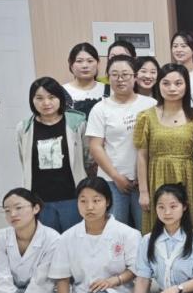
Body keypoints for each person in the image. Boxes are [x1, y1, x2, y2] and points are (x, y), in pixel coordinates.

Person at [50, 177, 140, 293]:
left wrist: (114, 281)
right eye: (83, 201)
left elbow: (135, 269)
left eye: (96, 201)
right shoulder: (67, 237)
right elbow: (62, 276)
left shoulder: (128, 234)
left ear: (107, 202)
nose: (89, 207)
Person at [85, 54, 157, 229]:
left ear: (135, 77)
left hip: (146, 180)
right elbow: (95, 146)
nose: (120, 79)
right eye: (115, 75)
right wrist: (116, 176)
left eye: (125, 74)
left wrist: (144, 177)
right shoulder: (100, 108)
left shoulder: (150, 104)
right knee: (116, 232)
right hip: (112, 181)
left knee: (147, 230)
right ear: (108, 77)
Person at [135, 63, 193, 234]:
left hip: (188, 178)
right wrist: (143, 191)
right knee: (157, 227)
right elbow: (142, 156)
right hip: (156, 176)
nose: (172, 88)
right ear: (158, 85)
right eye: (166, 83)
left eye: (178, 83)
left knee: (189, 225)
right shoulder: (146, 116)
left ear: (186, 85)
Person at [17, 77, 89, 232]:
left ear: (60, 98)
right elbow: (24, 160)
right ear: (32, 101)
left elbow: (87, 157)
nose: (46, 103)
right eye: (39, 98)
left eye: (51, 97)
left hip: (72, 196)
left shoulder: (77, 123)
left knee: (73, 238)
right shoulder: (24, 128)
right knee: (48, 241)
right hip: (40, 199)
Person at [63, 42, 107, 117]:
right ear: (71, 64)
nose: (85, 66)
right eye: (79, 61)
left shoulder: (109, 90)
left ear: (98, 63)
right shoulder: (61, 92)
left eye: (90, 61)